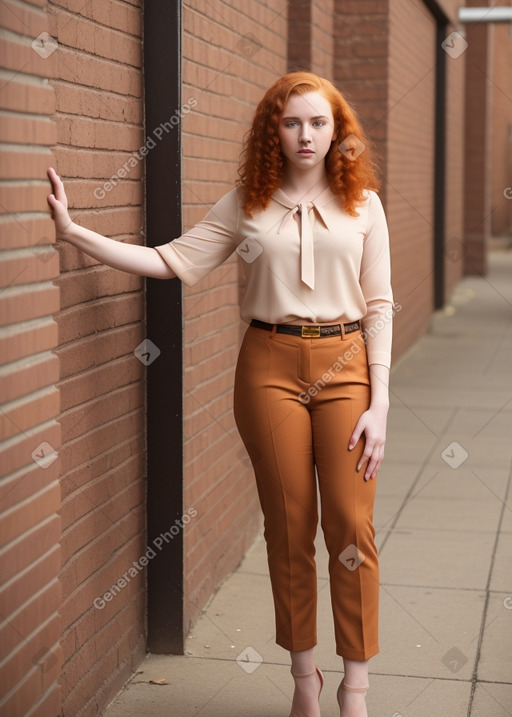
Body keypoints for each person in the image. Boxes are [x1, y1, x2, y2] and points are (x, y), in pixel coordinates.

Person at [47, 71, 394, 717]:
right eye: (291, 122)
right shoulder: (248, 202)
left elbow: (380, 304)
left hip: (349, 366)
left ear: (337, 131)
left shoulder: (363, 205)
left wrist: (381, 401)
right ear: (274, 130)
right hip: (268, 366)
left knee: (351, 523)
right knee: (290, 525)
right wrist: (76, 234)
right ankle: (304, 681)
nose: (306, 134)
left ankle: (356, 688)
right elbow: (171, 259)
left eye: (319, 122)